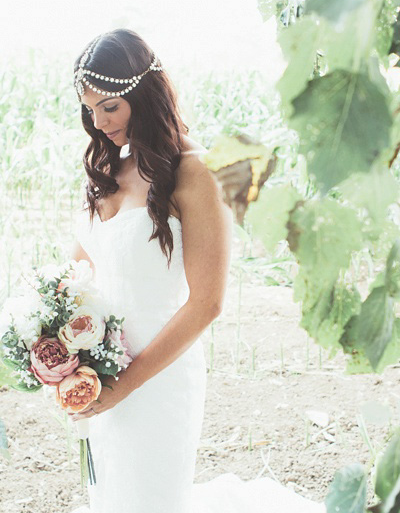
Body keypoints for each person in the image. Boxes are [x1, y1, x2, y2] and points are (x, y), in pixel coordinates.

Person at [68, 29, 325, 513]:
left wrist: (122, 387)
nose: (99, 123)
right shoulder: (112, 169)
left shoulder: (196, 173)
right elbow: (76, 271)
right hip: (101, 370)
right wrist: (58, 351)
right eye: (90, 110)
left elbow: (207, 303)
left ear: (143, 96)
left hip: (159, 378)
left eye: (110, 107)